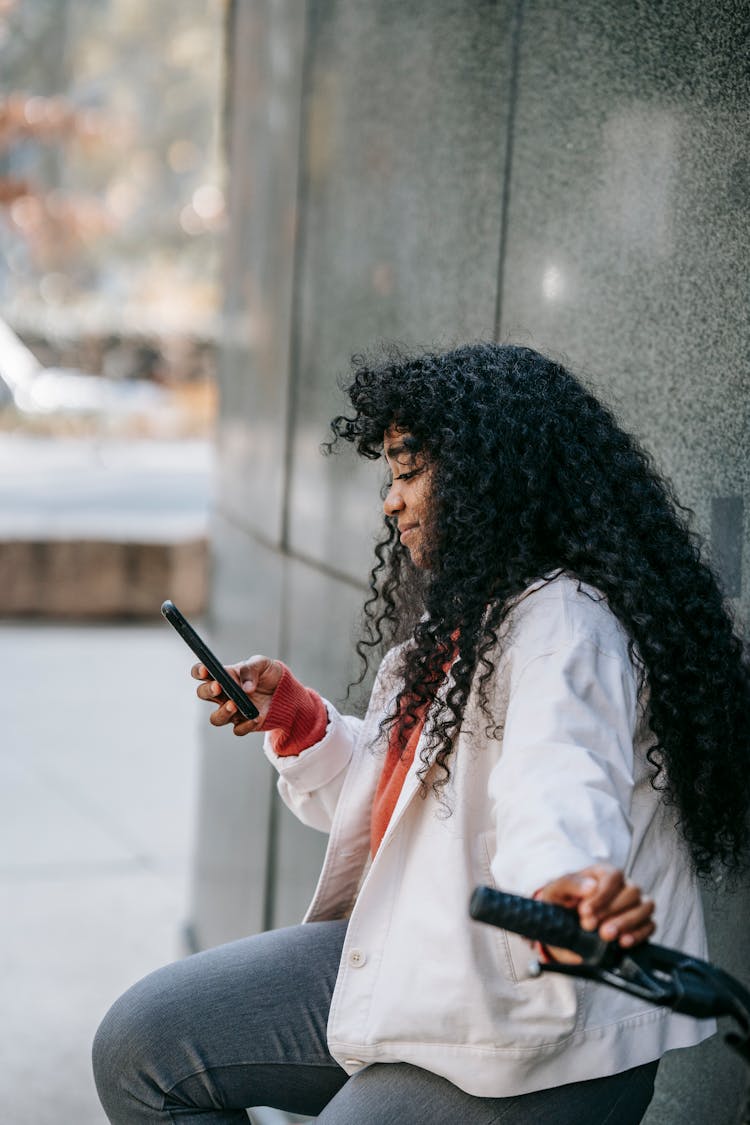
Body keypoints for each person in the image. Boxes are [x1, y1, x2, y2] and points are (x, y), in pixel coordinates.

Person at [93, 343, 750, 1124]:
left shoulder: (566, 625)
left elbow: (560, 784)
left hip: (528, 1036)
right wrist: (301, 724)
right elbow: (413, 817)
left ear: (487, 477)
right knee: (141, 1046)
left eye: (408, 473)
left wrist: (564, 890)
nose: (389, 503)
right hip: (427, 953)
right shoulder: (465, 623)